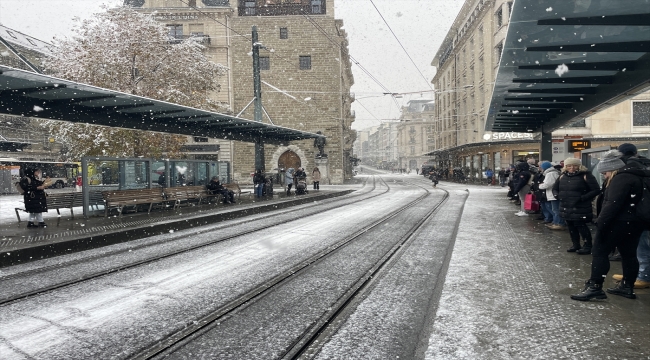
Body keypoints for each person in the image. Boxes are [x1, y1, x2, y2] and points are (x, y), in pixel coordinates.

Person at [571, 150, 650, 301]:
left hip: (617, 223)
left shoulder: (621, 179)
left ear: (613, 168)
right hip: (635, 223)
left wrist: (600, 223)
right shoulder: (638, 175)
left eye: (606, 172)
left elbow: (612, 205)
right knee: (629, 255)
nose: (605, 175)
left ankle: (595, 287)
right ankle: (627, 287)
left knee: (599, 253)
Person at [610, 143, 650, 289]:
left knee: (640, 246)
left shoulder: (628, 167)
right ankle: (636, 273)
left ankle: (643, 276)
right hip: (644, 210)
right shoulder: (645, 163)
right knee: (639, 245)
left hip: (638, 213)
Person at [552, 158, 600, 254]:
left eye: (574, 165)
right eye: (569, 166)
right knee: (571, 226)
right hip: (566, 206)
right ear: (565, 167)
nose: (572, 168)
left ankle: (587, 245)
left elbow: (596, 190)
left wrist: (582, 198)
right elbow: (555, 188)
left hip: (580, 206)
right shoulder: (562, 176)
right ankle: (576, 244)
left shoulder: (586, 175)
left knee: (580, 225)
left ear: (579, 166)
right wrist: (557, 195)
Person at [538, 162, 565, 230]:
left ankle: (559, 223)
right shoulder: (554, 172)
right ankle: (555, 222)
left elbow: (548, 184)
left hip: (553, 194)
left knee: (556, 209)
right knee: (554, 209)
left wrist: (540, 186)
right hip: (553, 193)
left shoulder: (550, 174)